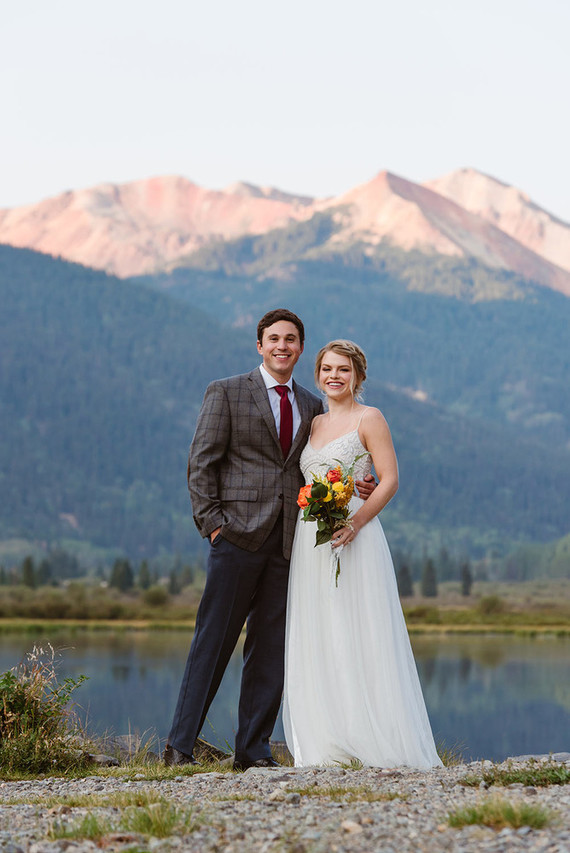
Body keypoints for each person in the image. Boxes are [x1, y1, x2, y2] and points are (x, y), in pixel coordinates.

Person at [164, 311, 375, 770]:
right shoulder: (226, 391)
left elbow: (325, 463)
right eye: (274, 339)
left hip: (291, 544)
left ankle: (252, 750)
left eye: (292, 339)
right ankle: (179, 747)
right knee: (213, 642)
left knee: (272, 648)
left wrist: (360, 483)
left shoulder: (312, 405)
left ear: (301, 348)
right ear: (259, 345)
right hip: (235, 538)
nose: (283, 346)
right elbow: (201, 464)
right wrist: (213, 525)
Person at [283, 340, 442, 769]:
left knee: (360, 628)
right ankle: (328, 741)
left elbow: (388, 479)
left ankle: (374, 737)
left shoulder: (370, 419)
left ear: (358, 377)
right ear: (318, 374)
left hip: (356, 532)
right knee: (320, 630)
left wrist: (355, 523)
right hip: (311, 538)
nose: (334, 376)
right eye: (327, 369)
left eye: (343, 370)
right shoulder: (313, 424)